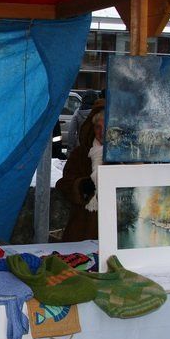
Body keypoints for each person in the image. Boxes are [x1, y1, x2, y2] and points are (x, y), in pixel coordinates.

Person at [55, 99, 106, 242]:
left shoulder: (127, 156)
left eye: (107, 126)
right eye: (98, 127)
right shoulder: (81, 154)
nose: (102, 132)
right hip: (84, 229)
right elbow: (64, 184)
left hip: (117, 231)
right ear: (92, 128)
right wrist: (81, 186)